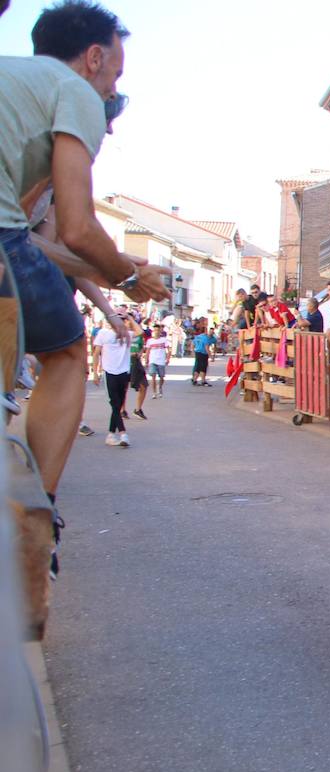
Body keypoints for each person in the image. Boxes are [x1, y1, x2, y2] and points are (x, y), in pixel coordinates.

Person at [1, 0, 168, 533]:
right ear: (93, 58)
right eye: (114, 77)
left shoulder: (14, 79)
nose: (110, 94)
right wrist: (126, 276)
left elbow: (36, 244)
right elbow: (77, 226)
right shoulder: (75, 93)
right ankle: (34, 510)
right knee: (68, 351)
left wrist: (110, 270)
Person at [91, 310, 131, 446]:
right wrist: (95, 373)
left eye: (121, 319)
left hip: (124, 372)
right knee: (115, 404)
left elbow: (140, 333)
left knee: (118, 404)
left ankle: (110, 434)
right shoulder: (103, 333)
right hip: (109, 372)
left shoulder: (127, 334)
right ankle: (123, 433)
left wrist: (129, 317)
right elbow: (96, 353)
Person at [127, 315, 148, 418]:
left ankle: (138, 409)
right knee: (123, 388)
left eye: (131, 320)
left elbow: (141, 346)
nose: (129, 322)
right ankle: (121, 411)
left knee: (143, 385)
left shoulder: (138, 334)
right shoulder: (122, 334)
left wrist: (140, 353)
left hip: (136, 362)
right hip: (125, 363)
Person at [143, 323, 168, 397]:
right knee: (153, 376)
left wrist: (168, 358)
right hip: (152, 360)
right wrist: (146, 360)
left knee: (161, 377)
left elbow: (168, 349)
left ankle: (159, 387)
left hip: (161, 360)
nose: (156, 331)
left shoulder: (164, 340)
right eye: (155, 330)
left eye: (158, 330)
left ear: (160, 331)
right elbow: (148, 351)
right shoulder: (150, 341)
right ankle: (154, 392)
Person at [191, 322, 215, 386]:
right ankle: (203, 381)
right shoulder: (205, 338)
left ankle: (194, 380)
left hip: (197, 353)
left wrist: (193, 351)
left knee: (197, 367)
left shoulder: (198, 337)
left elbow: (193, 344)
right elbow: (207, 347)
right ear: (206, 331)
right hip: (203, 354)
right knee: (203, 368)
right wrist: (211, 356)